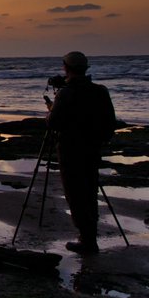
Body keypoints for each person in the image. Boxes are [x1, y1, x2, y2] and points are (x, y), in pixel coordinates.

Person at [45, 51, 117, 255]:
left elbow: (53, 123)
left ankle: (87, 240)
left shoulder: (66, 93)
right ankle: (89, 236)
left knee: (75, 194)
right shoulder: (100, 91)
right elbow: (110, 122)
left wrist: (50, 110)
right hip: (92, 149)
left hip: (70, 149)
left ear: (66, 68)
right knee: (89, 191)